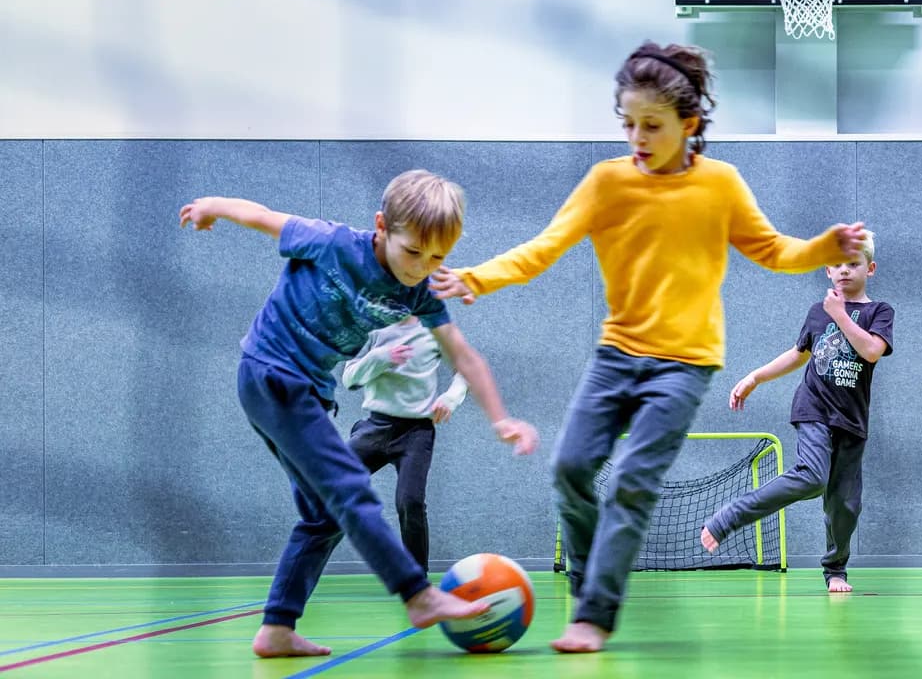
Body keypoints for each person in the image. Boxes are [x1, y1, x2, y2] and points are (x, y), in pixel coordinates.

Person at [431, 41, 866, 653]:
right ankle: (588, 582)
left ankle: (595, 614)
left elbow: (773, 250)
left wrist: (825, 246)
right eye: (628, 122)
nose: (637, 136)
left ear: (689, 126)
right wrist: (473, 278)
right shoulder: (607, 183)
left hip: (685, 364)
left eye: (652, 125)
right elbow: (544, 247)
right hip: (617, 356)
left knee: (634, 480)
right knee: (570, 469)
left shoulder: (721, 185)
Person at [179, 169, 539, 658]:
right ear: (382, 227)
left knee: (323, 515)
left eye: (437, 257)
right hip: (272, 374)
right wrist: (211, 206)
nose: (421, 267)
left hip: (302, 390)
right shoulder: (331, 243)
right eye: (413, 252)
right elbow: (262, 217)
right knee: (350, 487)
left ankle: (277, 629)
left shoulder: (419, 290)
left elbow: (463, 355)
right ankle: (418, 594)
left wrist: (500, 418)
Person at [700, 231, 893, 594]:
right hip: (814, 408)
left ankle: (836, 569)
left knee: (845, 506)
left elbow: (870, 351)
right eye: (836, 264)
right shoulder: (817, 313)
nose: (844, 271)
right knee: (812, 477)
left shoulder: (878, 312)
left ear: (870, 267)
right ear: (826, 270)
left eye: (853, 264)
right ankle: (731, 517)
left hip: (852, 420)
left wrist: (841, 315)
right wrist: (755, 377)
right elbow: (798, 353)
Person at [342, 315, 472, 573]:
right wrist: (381, 357)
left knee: (410, 502)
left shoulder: (435, 327)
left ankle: (418, 581)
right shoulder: (368, 324)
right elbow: (349, 379)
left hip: (416, 433)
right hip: (375, 428)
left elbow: (465, 371)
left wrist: (451, 398)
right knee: (328, 486)